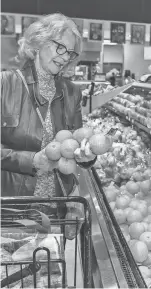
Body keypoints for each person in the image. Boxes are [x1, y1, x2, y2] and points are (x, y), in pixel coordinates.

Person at [1, 13, 96, 201]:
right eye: (60, 47)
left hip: (59, 203)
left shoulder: (72, 92)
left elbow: (75, 143)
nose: (65, 57)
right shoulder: (5, 85)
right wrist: (31, 161)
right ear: (39, 42)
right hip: (13, 204)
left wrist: (87, 157)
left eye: (70, 52)